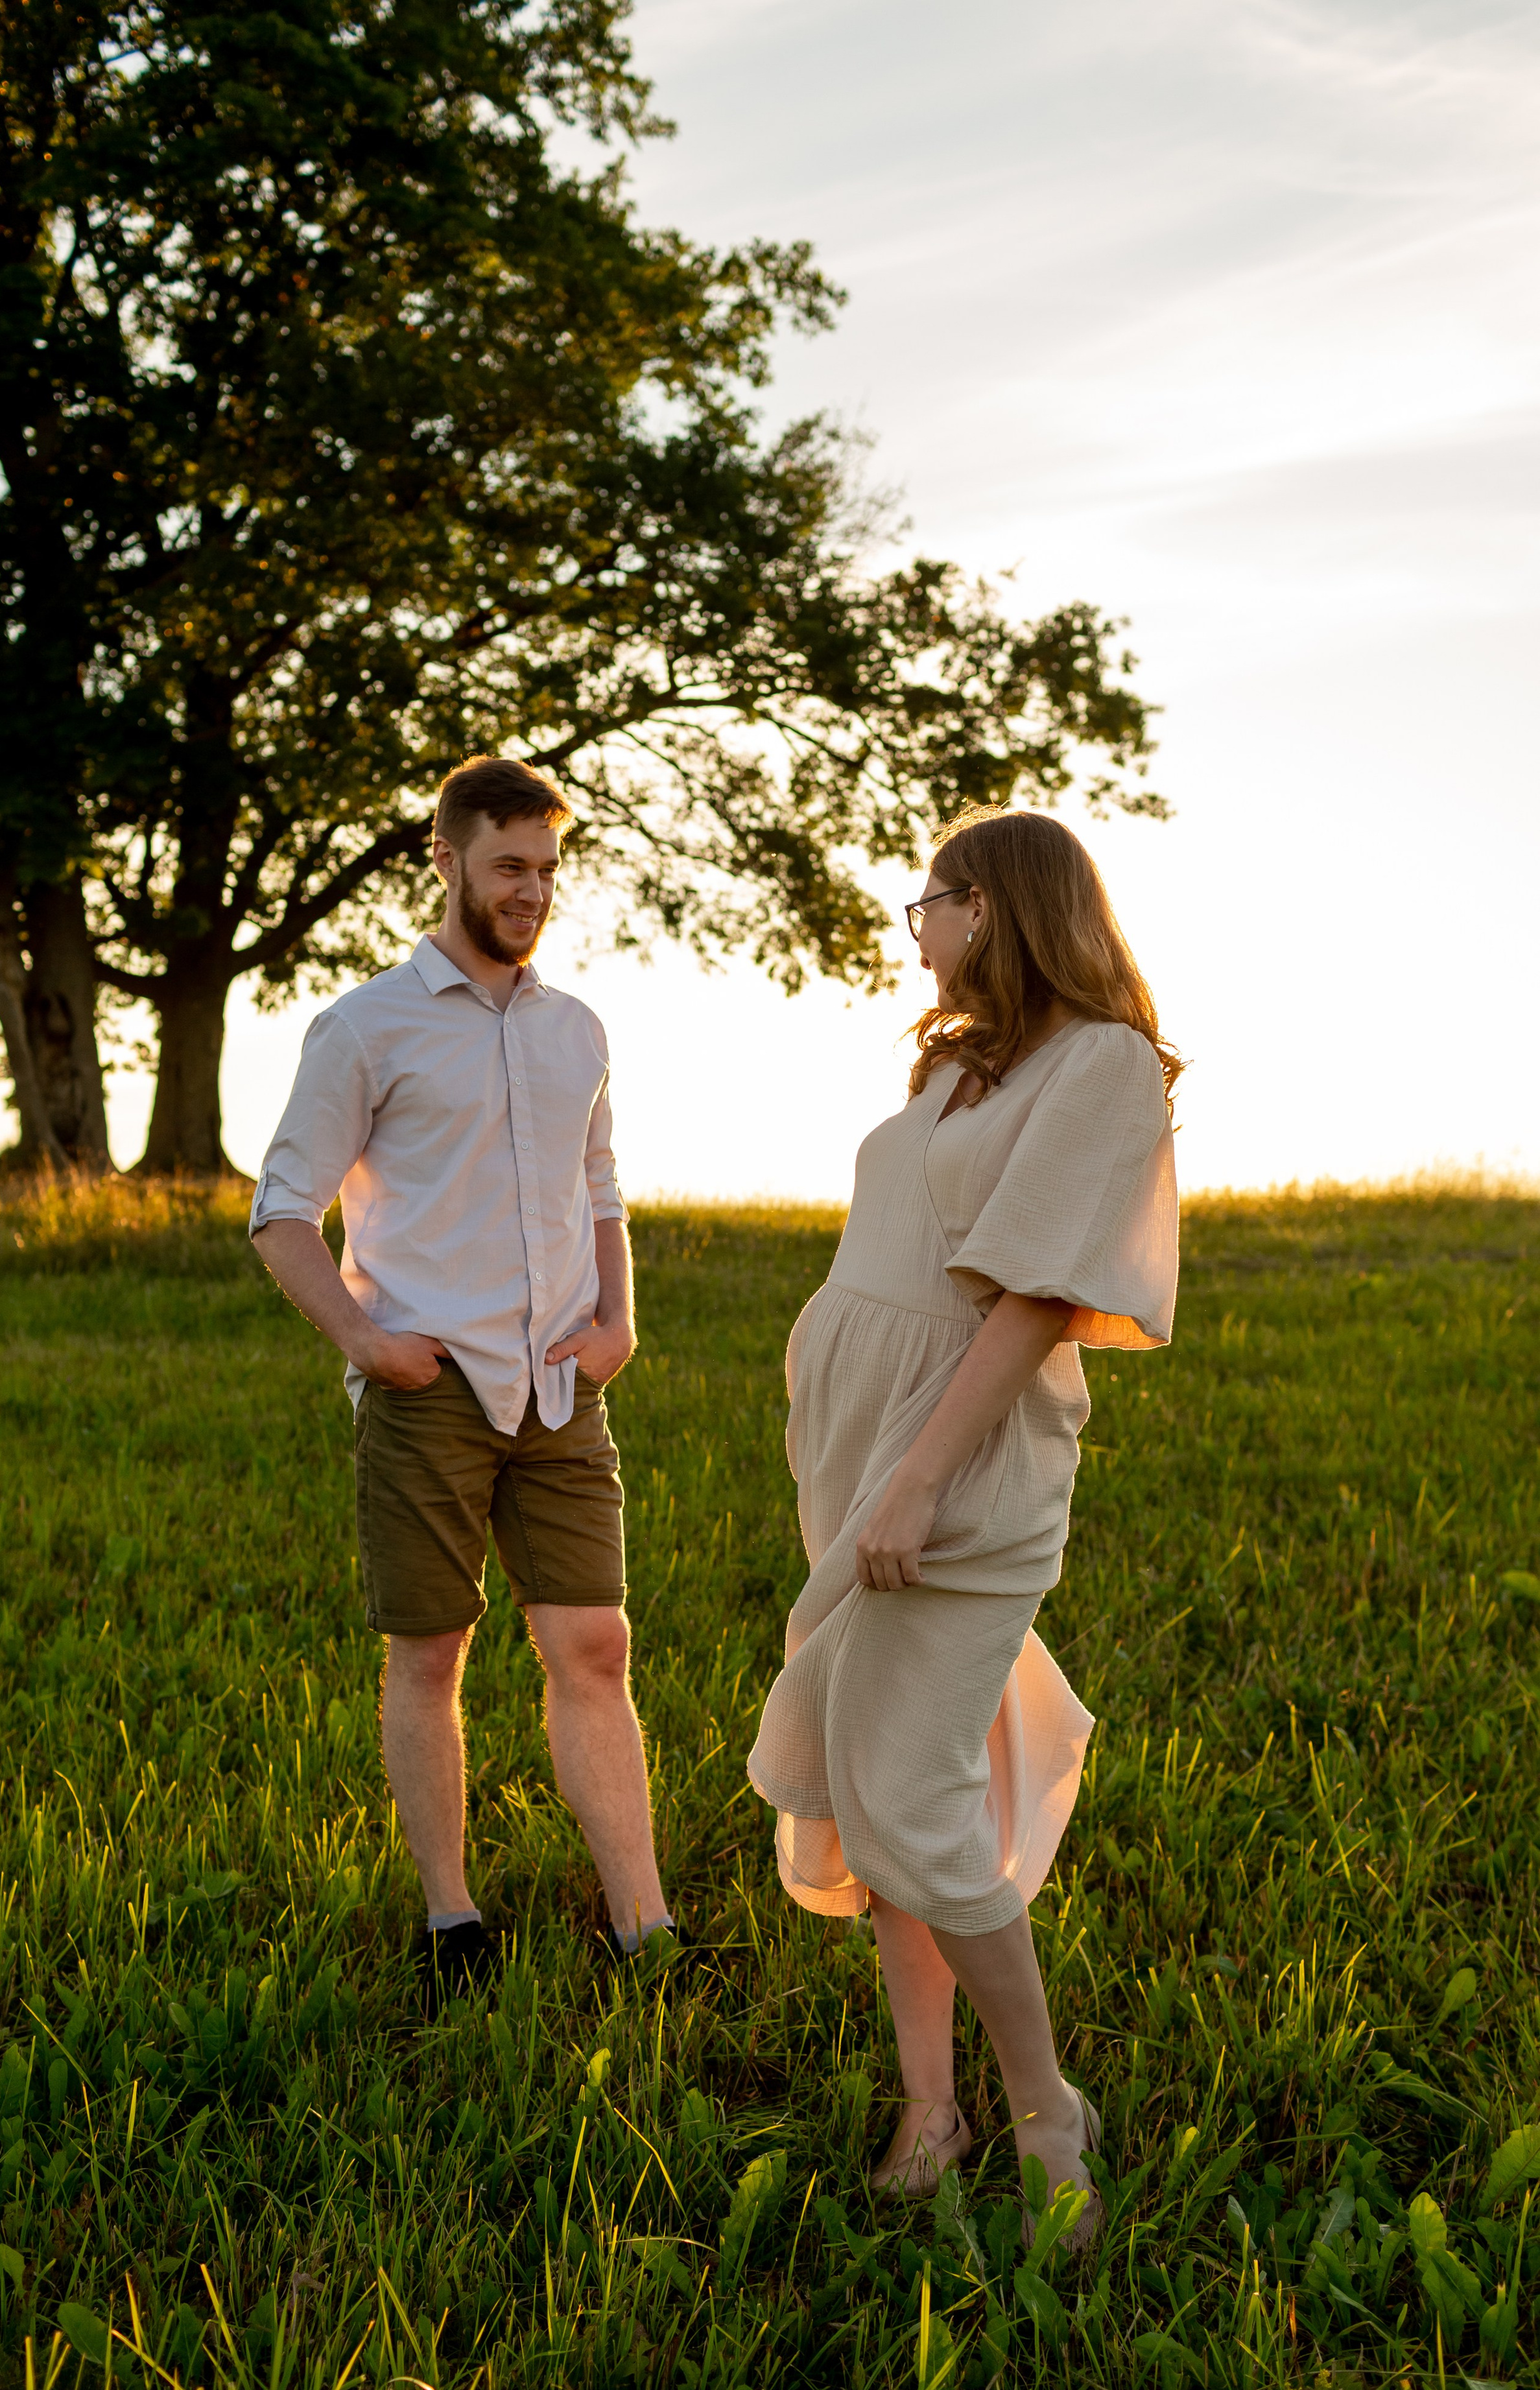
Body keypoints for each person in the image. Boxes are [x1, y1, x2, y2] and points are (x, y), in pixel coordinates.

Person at [746, 807, 1179, 2236]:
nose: (911, 930)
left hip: (953, 1464)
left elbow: (1040, 1291)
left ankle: (1047, 2110)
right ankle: (930, 2107)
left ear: (989, 906)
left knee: (918, 1807)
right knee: (877, 1804)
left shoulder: (1100, 1065)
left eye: (927, 903)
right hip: (865, 1446)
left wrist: (918, 1477)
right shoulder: (963, 1063)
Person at [250, 753, 675, 2004]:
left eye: (547, 871)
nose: (531, 892)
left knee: (594, 1646)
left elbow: (601, 1188)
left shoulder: (576, 1028)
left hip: (560, 1391)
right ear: (447, 860)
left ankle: (643, 1926)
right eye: (508, 868)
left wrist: (620, 1323)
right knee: (431, 1656)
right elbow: (284, 1213)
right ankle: (451, 1921)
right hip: (427, 1387)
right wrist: (368, 1344)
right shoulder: (364, 1026)